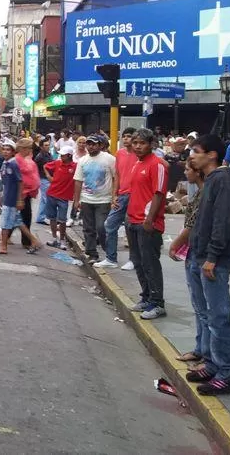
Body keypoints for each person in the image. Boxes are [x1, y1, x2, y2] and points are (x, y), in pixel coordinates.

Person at [185, 133, 230, 395]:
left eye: (196, 151)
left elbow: (223, 221)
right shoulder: (211, 180)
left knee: (219, 317)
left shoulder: (223, 179)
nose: (192, 155)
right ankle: (211, 363)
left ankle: (227, 374)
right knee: (208, 314)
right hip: (201, 256)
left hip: (213, 260)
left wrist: (212, 256)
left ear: (212, 155)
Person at [124, 128, 169, 320]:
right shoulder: (137, 163)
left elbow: (159, 194)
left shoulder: (157, 165)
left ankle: (157, 303)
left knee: (150, 263)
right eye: (135, 143)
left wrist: (149, 219)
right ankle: (146, 297)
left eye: (142, 143)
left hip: (147, 223)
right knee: (138, 262)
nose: (138, 146)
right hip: (132, 220)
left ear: (151, 144)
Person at [168, 159, 207, 365]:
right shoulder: (199, 193)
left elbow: (191, 225)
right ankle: (201, 349)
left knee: (204, 308)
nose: (185, 172)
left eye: (188, 169)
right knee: (199, 306)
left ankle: (207, 354)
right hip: (194, 251)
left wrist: (175, 243)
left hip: (202, 254)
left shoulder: (206, 195)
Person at [0, 140, 42, 255]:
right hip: (7, 196)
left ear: (13, 152)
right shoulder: (6, 163)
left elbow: (20, 182)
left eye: (8, 150)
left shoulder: (13, 163)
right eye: (4, 149)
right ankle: (34, 241)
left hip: (12, 199)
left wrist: (19, 199)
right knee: (19, 222)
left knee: (6, 224)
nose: (6, 152)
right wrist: (2, 194)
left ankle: (3, 247)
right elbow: (6, 182)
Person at [73, 134, 117, 264]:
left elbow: (116, 178)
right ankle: (92, 253)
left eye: (94, 144)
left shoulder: (109, 159)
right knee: (88, 228)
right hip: (86, 199)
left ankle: (108, 251)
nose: (91, 146)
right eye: (89, 144)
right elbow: (78, 181)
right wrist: (76, 200)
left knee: (101, 227)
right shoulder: (83, 161)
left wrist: (114, 196)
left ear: (100, 145)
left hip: (104, 200)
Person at [103, 127, 138, 270]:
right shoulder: (120, 153)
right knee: (110, 225)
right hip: (122, 195)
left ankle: (133, 259)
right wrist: (114, 195)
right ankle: (111, 258)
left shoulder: (139, 155)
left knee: (131, 229)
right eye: (124, 136)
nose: (126, 139)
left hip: (135, 195)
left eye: (129, 136)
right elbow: (117, 175)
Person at [43, 146, 76, 250]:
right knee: (52, 218)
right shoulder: (57, 163)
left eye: (63, 155)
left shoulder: (75, 166)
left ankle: (61, 240)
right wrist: (48, 176)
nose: (61, 156)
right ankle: (54, 238)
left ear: (69, 155)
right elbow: (45, 166)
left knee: (62, 220)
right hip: (52, 194)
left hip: (64, 197)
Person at [14, 137, 40, 248]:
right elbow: (18, 179)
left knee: (22, 217)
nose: (30, 150)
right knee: (24, 217)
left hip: (27, 192)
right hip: (21, 193)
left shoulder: (26, 158)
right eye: (29, 148)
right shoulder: (17, 160)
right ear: (23, 148)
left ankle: (25, 240)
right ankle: (28, 241)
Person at [34, 136, 53, 225]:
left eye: (48, 145)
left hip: (48, 179)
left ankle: (40, 217)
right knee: (47, 199)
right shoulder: (40, 156)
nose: (48, 146)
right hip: (43, 179)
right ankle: (47, 217)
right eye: (45, 145)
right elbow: (34, 167)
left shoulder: (48, 155)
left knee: (43, 199)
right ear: (41, 147)